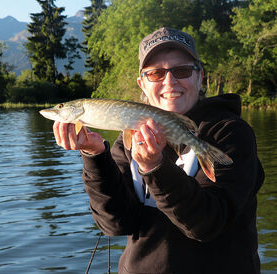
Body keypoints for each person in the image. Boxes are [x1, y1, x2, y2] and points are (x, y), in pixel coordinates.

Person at [53, 27, 264, 274]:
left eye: (182, 71)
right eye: (155, 74)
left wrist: (155, 168)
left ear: (200, 77)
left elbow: (207, 223)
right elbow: (116, 223)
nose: (169, 82)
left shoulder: (231, 133)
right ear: (142, 83)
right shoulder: (128, 139)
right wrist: (96, 156)